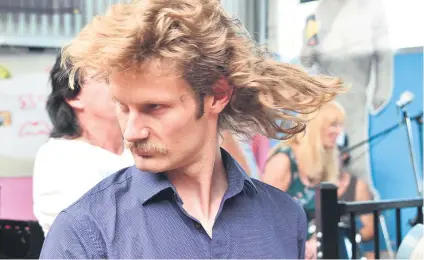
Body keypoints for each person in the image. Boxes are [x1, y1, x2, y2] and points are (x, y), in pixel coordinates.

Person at [40, 0, 344, 258]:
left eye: (154, 107)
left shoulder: (283, 217)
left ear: (217, 95)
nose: (132, 132)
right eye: (123, 107)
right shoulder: (86, 232)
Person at [32, 54, 134, 235]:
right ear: (73, 97)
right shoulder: (58, 156)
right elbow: (97, 233)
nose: (122, 83)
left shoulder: (138, 147)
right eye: (105, 77)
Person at [262, 101, 345, 259]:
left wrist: (315, 242)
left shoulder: (327, 163)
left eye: (340, 125)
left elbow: (327, 217)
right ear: (316, 127)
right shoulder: (283, 161)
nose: (339, 131)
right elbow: (263, 216)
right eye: (333, 125)